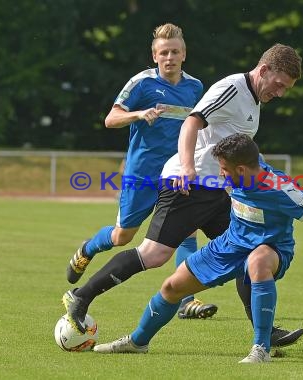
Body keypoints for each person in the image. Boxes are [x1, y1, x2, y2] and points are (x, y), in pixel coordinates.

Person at [62, 43, 303, 347]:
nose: (280, 92)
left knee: (248, 253)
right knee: (153, 255)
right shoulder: (232, 88)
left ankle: (264, 331)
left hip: (217, 191)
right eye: (279, 84)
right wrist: (187, 168)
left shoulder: (253, 100)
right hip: (187, 185)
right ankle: (81, 297)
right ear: (265, 69)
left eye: (286, 89)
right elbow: (192, 122)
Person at [91, 133, 303, 363]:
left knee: (257, 261)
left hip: (272, 249)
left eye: (225, 169)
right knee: (171, 288)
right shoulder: (239, 171)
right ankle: (138, 342)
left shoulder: (281, 190)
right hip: (229, 244)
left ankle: (261, 347)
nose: (221, 174)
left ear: (245, 169)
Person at [65, 23, 217, 318]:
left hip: (174, 174)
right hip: (141, 174)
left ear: (184, 54)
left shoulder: (195, 87)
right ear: (154, 55)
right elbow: (111, 119)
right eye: (164, 52)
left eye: (175, 51)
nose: (169, 57)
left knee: (187, 231)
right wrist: (138, 114)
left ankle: (188, 301)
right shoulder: (141, 84)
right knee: (123, 236)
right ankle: (87, 250)